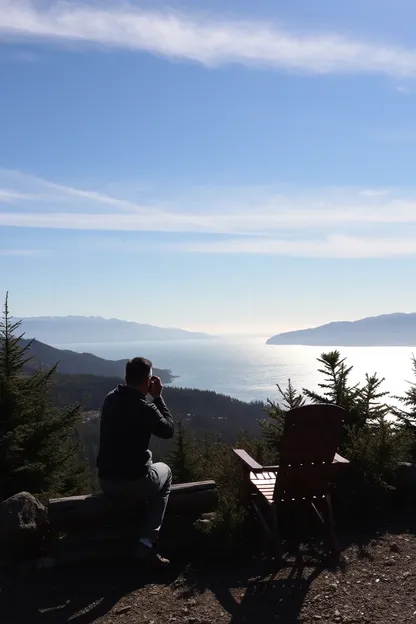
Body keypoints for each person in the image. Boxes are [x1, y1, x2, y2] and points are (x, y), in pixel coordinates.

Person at [96, 357, 174, 566]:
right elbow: (168, 430)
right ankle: (146, 542)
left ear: (126, 377)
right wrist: (158, 398)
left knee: (144, 470)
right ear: (148, 381)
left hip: (106, 480)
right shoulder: (145, 407)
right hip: (134, 482)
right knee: (165, 472)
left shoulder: (110, 398)